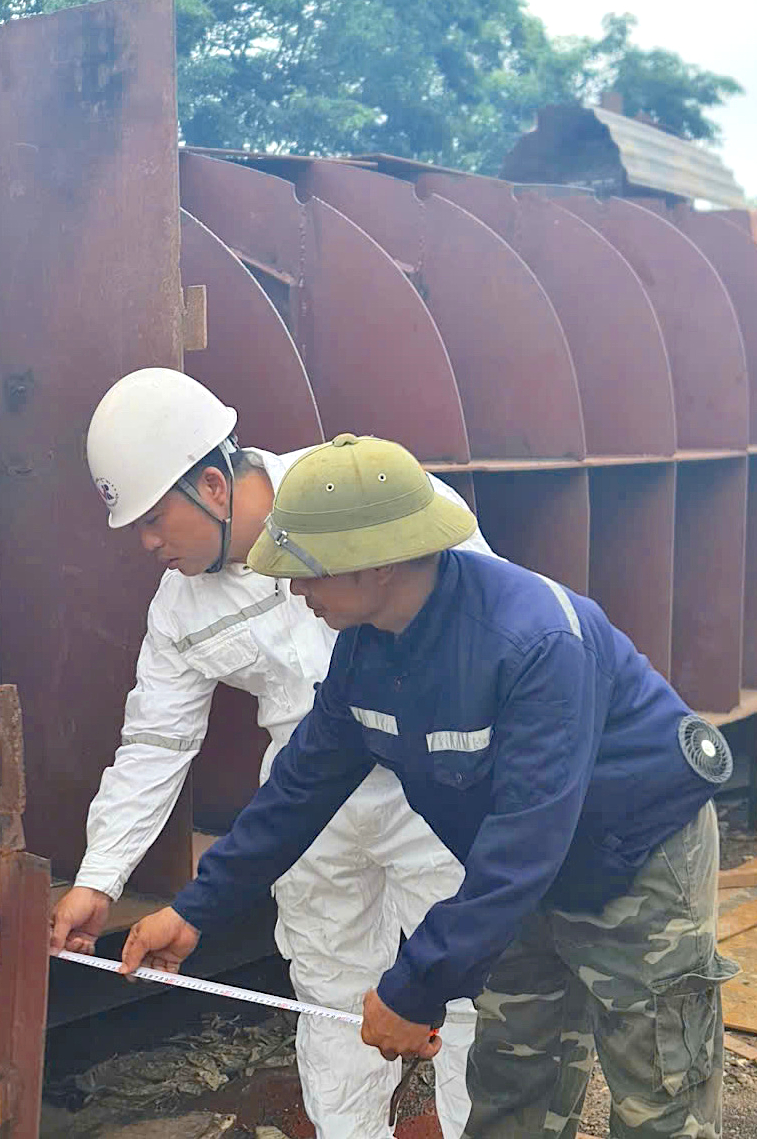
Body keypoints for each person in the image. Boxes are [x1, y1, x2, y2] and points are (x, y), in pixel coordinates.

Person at [119, 433, 739, 1139]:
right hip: (520, 873)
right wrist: (195, 909)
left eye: (307, 570)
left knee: (657, 1091)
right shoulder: (365, 649)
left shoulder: (532, 641)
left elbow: (523, 839)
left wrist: (413, 985)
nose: (294, 589)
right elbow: (300, 789)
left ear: (375, 565)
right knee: (510, 1083)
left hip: (635, 859)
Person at [59, 370, 496, 1139]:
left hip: (427, 787)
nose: (147, 542)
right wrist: (101, 875)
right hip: (308, 809)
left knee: (467, 993)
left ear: (212, 487)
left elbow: (485, 621)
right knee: (330, 997)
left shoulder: (353, 495)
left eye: (155, 519)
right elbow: (156, 741)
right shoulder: (179, 609)